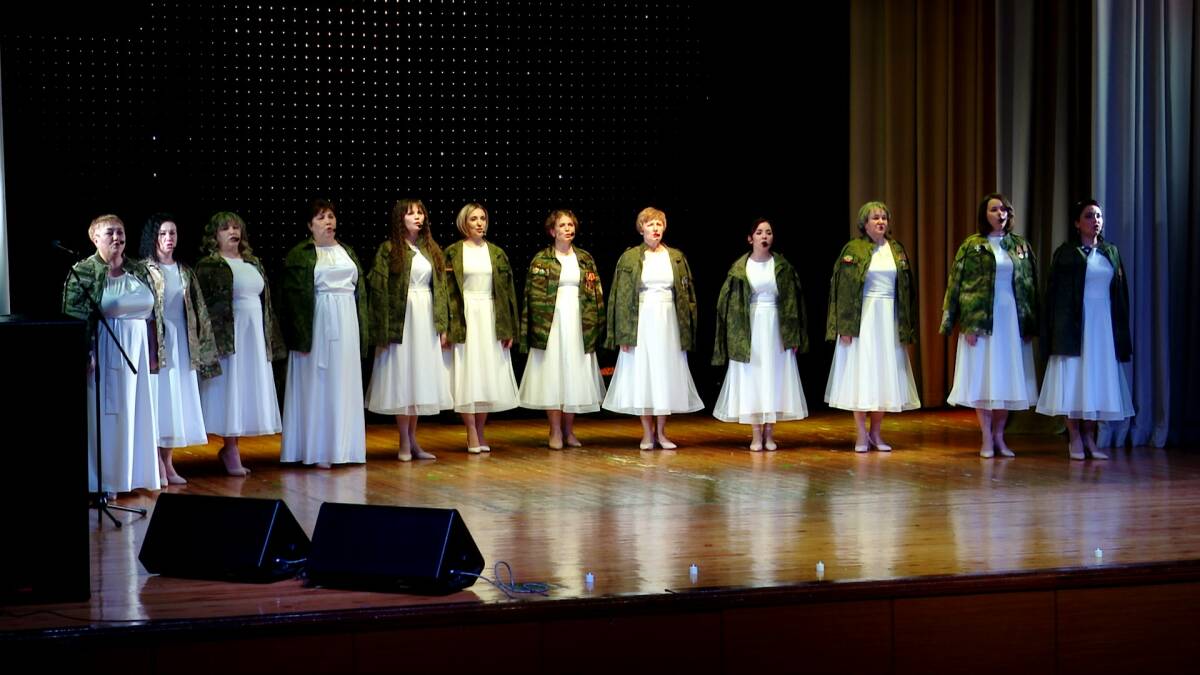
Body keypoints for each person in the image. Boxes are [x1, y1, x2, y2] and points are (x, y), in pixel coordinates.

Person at [62, 214, 163, 495]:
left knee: (136, 412)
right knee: (109, 417)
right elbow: (74, 316)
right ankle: (105, 481)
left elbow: (153, 315)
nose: (117, 237)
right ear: (95, 238)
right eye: (110, 233)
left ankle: (133, 476)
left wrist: (154, 351)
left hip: (137, 352)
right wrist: (86, 352)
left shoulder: (139, 270)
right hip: (105, 351)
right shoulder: (84, 271)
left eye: (120, 231)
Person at [940, 193, 1040, 457]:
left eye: (1004, 209)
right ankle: (986, 436)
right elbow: (957, 285)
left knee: (1005, 378)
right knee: (983, 378)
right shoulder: (972, 246)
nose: (1000, 213)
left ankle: (999, 436)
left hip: (1010, 318)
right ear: (985, 215)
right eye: (994, 209)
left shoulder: (1019, 246)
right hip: (981, 319)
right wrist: (961, 323)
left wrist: (1029, 324)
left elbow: (1031, 285)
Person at [1037, 199, 1134, 459]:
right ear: (1077, 223)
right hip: (1074, 325)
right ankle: (1075, 438)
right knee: (1074, 379)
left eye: (1099, 216)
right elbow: (1054, 294)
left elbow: (1121, 293)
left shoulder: (1110, 252)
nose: (1095, 221)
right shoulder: (1066, 253)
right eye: (1089, 216)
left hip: (1103, 325)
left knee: (1095, 380)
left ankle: (1090, 437)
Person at [602, 207, 703, 449]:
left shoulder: (676, 257)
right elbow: (619, 297)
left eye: (659, 224)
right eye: (650, 224)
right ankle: (647, 433)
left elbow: (687, 295)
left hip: (668, 321)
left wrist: (687, 328)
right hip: (642, 321)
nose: (655, 228)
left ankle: (662, 432)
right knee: (644, 374)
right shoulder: (629, 258)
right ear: (641, 229)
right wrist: (621, 332)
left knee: (665, 373)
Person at [824, 201, 921, 452]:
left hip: (888, 318)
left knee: (884, 375)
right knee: (862, 374)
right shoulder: (853, 249)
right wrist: (844, 327)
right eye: (875, 218)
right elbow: (842, 290)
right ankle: (860, 433)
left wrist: (906, 325)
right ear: (864, 224)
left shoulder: (896, 249)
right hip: (864, 318)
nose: (880, 222)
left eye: (884, 218)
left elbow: (907, 290)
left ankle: (876, 433)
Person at [279, 199, 368, 468]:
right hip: (317, 319)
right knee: (318, 381)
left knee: (343, 380)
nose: (328, 221)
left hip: (347, 318)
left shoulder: (347, 251)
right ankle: (318, 450)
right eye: (321, 218)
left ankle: (344, 448)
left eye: (330, 216)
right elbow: (291, 299)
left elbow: (360, 291)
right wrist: (298, 334)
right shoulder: (301, 254)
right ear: (310, 225)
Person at [195, 211, 286, 475]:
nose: (233, 232)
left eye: (236, 228)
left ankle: (232, 448)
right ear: (215, 236)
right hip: (228, 335)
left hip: (253, 333)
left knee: (246, 386)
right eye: (226, 229)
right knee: (231, 387)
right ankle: (230, 449)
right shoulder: (209, 265)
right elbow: (202, 306)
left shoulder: (253, 262)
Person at [365, 198, 452, 460]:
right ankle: (403, 440)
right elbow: (379, 291)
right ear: (399, 218)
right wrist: (382, 330)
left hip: (425, 316)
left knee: (419, 379)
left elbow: (441, 290)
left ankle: (413, 439)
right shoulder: (389, 249)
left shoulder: (431, 249)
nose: (417, 217)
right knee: (403, 377)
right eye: (411, 213)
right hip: (402, 319)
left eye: (420, 213)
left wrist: (443, 326)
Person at [712, 218, 809, 451]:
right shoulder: (740, 268)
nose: (764, 236)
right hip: (750, 326)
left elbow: (796, 303)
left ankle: (770, 433)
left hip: (776, 326)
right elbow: (726, 304)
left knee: (773, 376)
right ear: (750, 238)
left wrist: (794, 334)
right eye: (759, 232)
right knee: (753, 377)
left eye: (768, 232)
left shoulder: (782, 266)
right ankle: (756, 434)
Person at [139, 213, 220, 484]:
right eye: (163, 233)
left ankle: (168, 462)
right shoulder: (144, 270)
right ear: (154, 237)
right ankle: (155, 464)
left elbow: (199, 310)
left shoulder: (185, 271)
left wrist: (204, 348)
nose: (168, 238)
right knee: (159, 399)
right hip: (157, 342)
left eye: (172, 233)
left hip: (181, 341)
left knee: (176, 401)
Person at [517, 209, 607, 449]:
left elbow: (596, 293)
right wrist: (530, 331)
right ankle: (555, 430)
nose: (568, 229)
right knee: (553, 374)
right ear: (552, 231)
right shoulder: (541, 260)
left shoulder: (585, 258)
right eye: (562, 225)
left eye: (571, 225)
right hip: (552, 322)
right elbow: (530, 297)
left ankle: (569, 430)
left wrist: (597, 324)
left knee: (574, 373)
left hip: (578, 320)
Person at [444, 202, 520, 453]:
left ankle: (480, 429)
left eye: (482, 218)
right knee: (467, 375)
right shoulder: (453, 252)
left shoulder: (496, 253)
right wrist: (446, 327)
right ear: (464, 223)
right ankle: (471, 432)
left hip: (489, 315)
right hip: (465, 316)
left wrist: (508, 327)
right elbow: (446, 292)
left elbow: (507, 293)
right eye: (474, 219)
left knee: (487, 374)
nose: (479, 223)